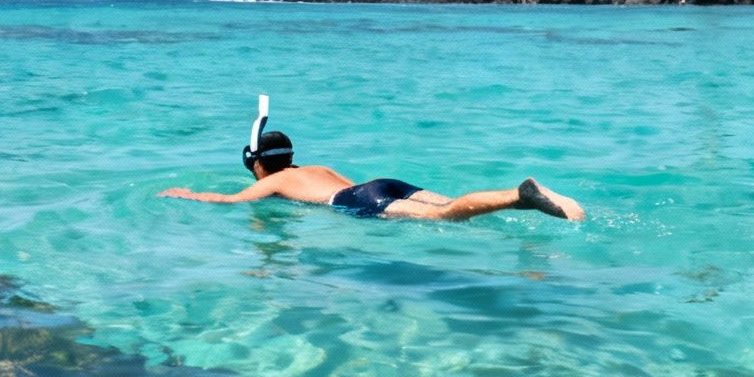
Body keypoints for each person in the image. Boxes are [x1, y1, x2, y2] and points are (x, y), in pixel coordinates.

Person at [160, 129, 584, 221]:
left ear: (257, 164)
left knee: (446, 215)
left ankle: (518, 196)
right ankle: (536, 195)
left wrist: (188, 194)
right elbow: (348, 182)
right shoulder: (314, 167)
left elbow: (231, 201)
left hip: (354, 201)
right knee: (445, 203)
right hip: (379, 183)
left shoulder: (270, 181)